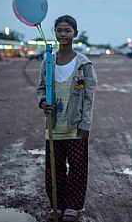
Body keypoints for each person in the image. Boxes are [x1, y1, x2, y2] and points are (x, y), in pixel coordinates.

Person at [36, 15, 97, 222]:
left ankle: (72, 206)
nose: (63, 34)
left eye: (67, 30)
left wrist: (86, 124)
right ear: (54, 33)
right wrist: (43, 101)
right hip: (54, 125)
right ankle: (58, 204)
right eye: (59, 30)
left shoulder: (84, 64)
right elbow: (41, 88)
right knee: (54, 168)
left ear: (75, 34)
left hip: (75, 125)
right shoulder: (48, 61)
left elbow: (89, 97)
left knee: (78, 167)